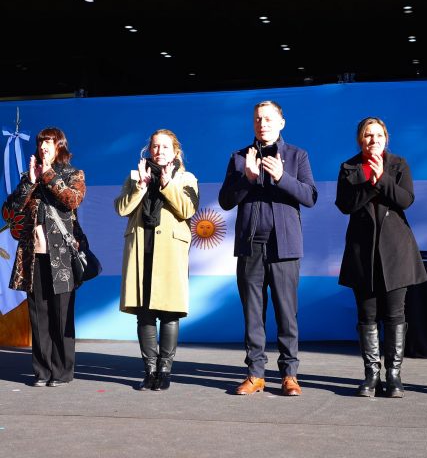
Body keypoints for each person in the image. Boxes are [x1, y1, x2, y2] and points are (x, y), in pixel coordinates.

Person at [218, 101, 317, 396]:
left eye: (269, 119)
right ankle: (255, 374)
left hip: (285, 247)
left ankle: (289, 375)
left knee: (287, 314)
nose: (262, 123)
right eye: (258, 119)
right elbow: (225, 201)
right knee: (253, 313)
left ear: (281, 122)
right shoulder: (239, 157)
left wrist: (282, 177)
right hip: (251, 247)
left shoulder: (297, 155)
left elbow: (310, 196)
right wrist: (247, 179)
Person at [335, 117, 427, 398]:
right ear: (359, 140)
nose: (373, 140)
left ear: (386, 138)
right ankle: (371, 375)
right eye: (367, 135)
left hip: (396, 250)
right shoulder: (349, 167)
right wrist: (370, 182)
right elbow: (345, 205)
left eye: (378, 135)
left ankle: (394, 376)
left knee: (395, 313)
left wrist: (382, 178)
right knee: (367, 315)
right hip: (362, 252)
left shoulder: (399, 164)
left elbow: (405, 200)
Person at [114, 129, 198, 391]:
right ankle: (150, 371)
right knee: (145, 314)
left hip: (170, 253)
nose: (159, 151)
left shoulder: (186, 178)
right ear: (149, 150)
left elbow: (187, 209)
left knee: (170, 313)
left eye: (164, 147)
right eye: (155, 146)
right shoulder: (135, 176)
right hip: (142, 250)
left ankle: (165, 371)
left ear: (175, 151)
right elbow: (121, 209)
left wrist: (167, 183)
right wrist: (141, 186)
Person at [3, 127, 86, 387]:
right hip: (33, 256)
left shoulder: (73, 174)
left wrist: (48, 174)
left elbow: (71, 200)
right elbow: (9, 211)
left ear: (59, 146)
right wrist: (30, 181)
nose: (43, 147)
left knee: (61, 315)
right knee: (38, 315)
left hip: (61, 257)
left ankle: (61, 371)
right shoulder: (30, 177)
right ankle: (42, 371)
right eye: (40, 143)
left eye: (48, 142)